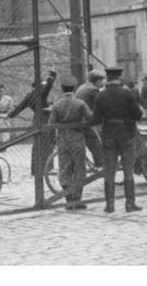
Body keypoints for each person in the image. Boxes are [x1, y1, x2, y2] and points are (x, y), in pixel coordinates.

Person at [93, 66, 143, 213]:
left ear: (107, 78)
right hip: (126, 135)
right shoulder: (127, 94)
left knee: (109, 171)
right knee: (128, 170)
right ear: (119, 77)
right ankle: (130, 203)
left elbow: (96, 118)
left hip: (108, 135)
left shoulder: (100, 96)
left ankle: (109, 204)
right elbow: (138, 115)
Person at [48, 75, 93, 210]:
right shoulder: (80, 103)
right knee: (79, 168)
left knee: (65, 168)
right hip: (77, 138)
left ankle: (69, 199)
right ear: (73, 88)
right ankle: (77, 199)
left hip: (63, 139)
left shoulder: (57, 104)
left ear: (62, 89)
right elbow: (91, 118)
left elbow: (51, 124)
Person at [8, 70, 57, 175]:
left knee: (37, 146)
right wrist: (52, 75)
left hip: (36, 120)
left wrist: (9, 115)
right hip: (45, 120)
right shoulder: (42, 94)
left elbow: (19, 108)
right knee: (47, 145)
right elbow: (48, 86)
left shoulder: (29, 96)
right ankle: (47, 169)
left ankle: (36, 169)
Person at [74, 69, 106, 167]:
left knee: (93, 141)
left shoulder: (82, 87)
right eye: (102, 80)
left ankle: (99, 163)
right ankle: (102, 165)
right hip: (86, 121)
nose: (103, 83)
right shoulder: (93, 90)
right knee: (96, 142)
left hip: (78, 120)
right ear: (97, 81)